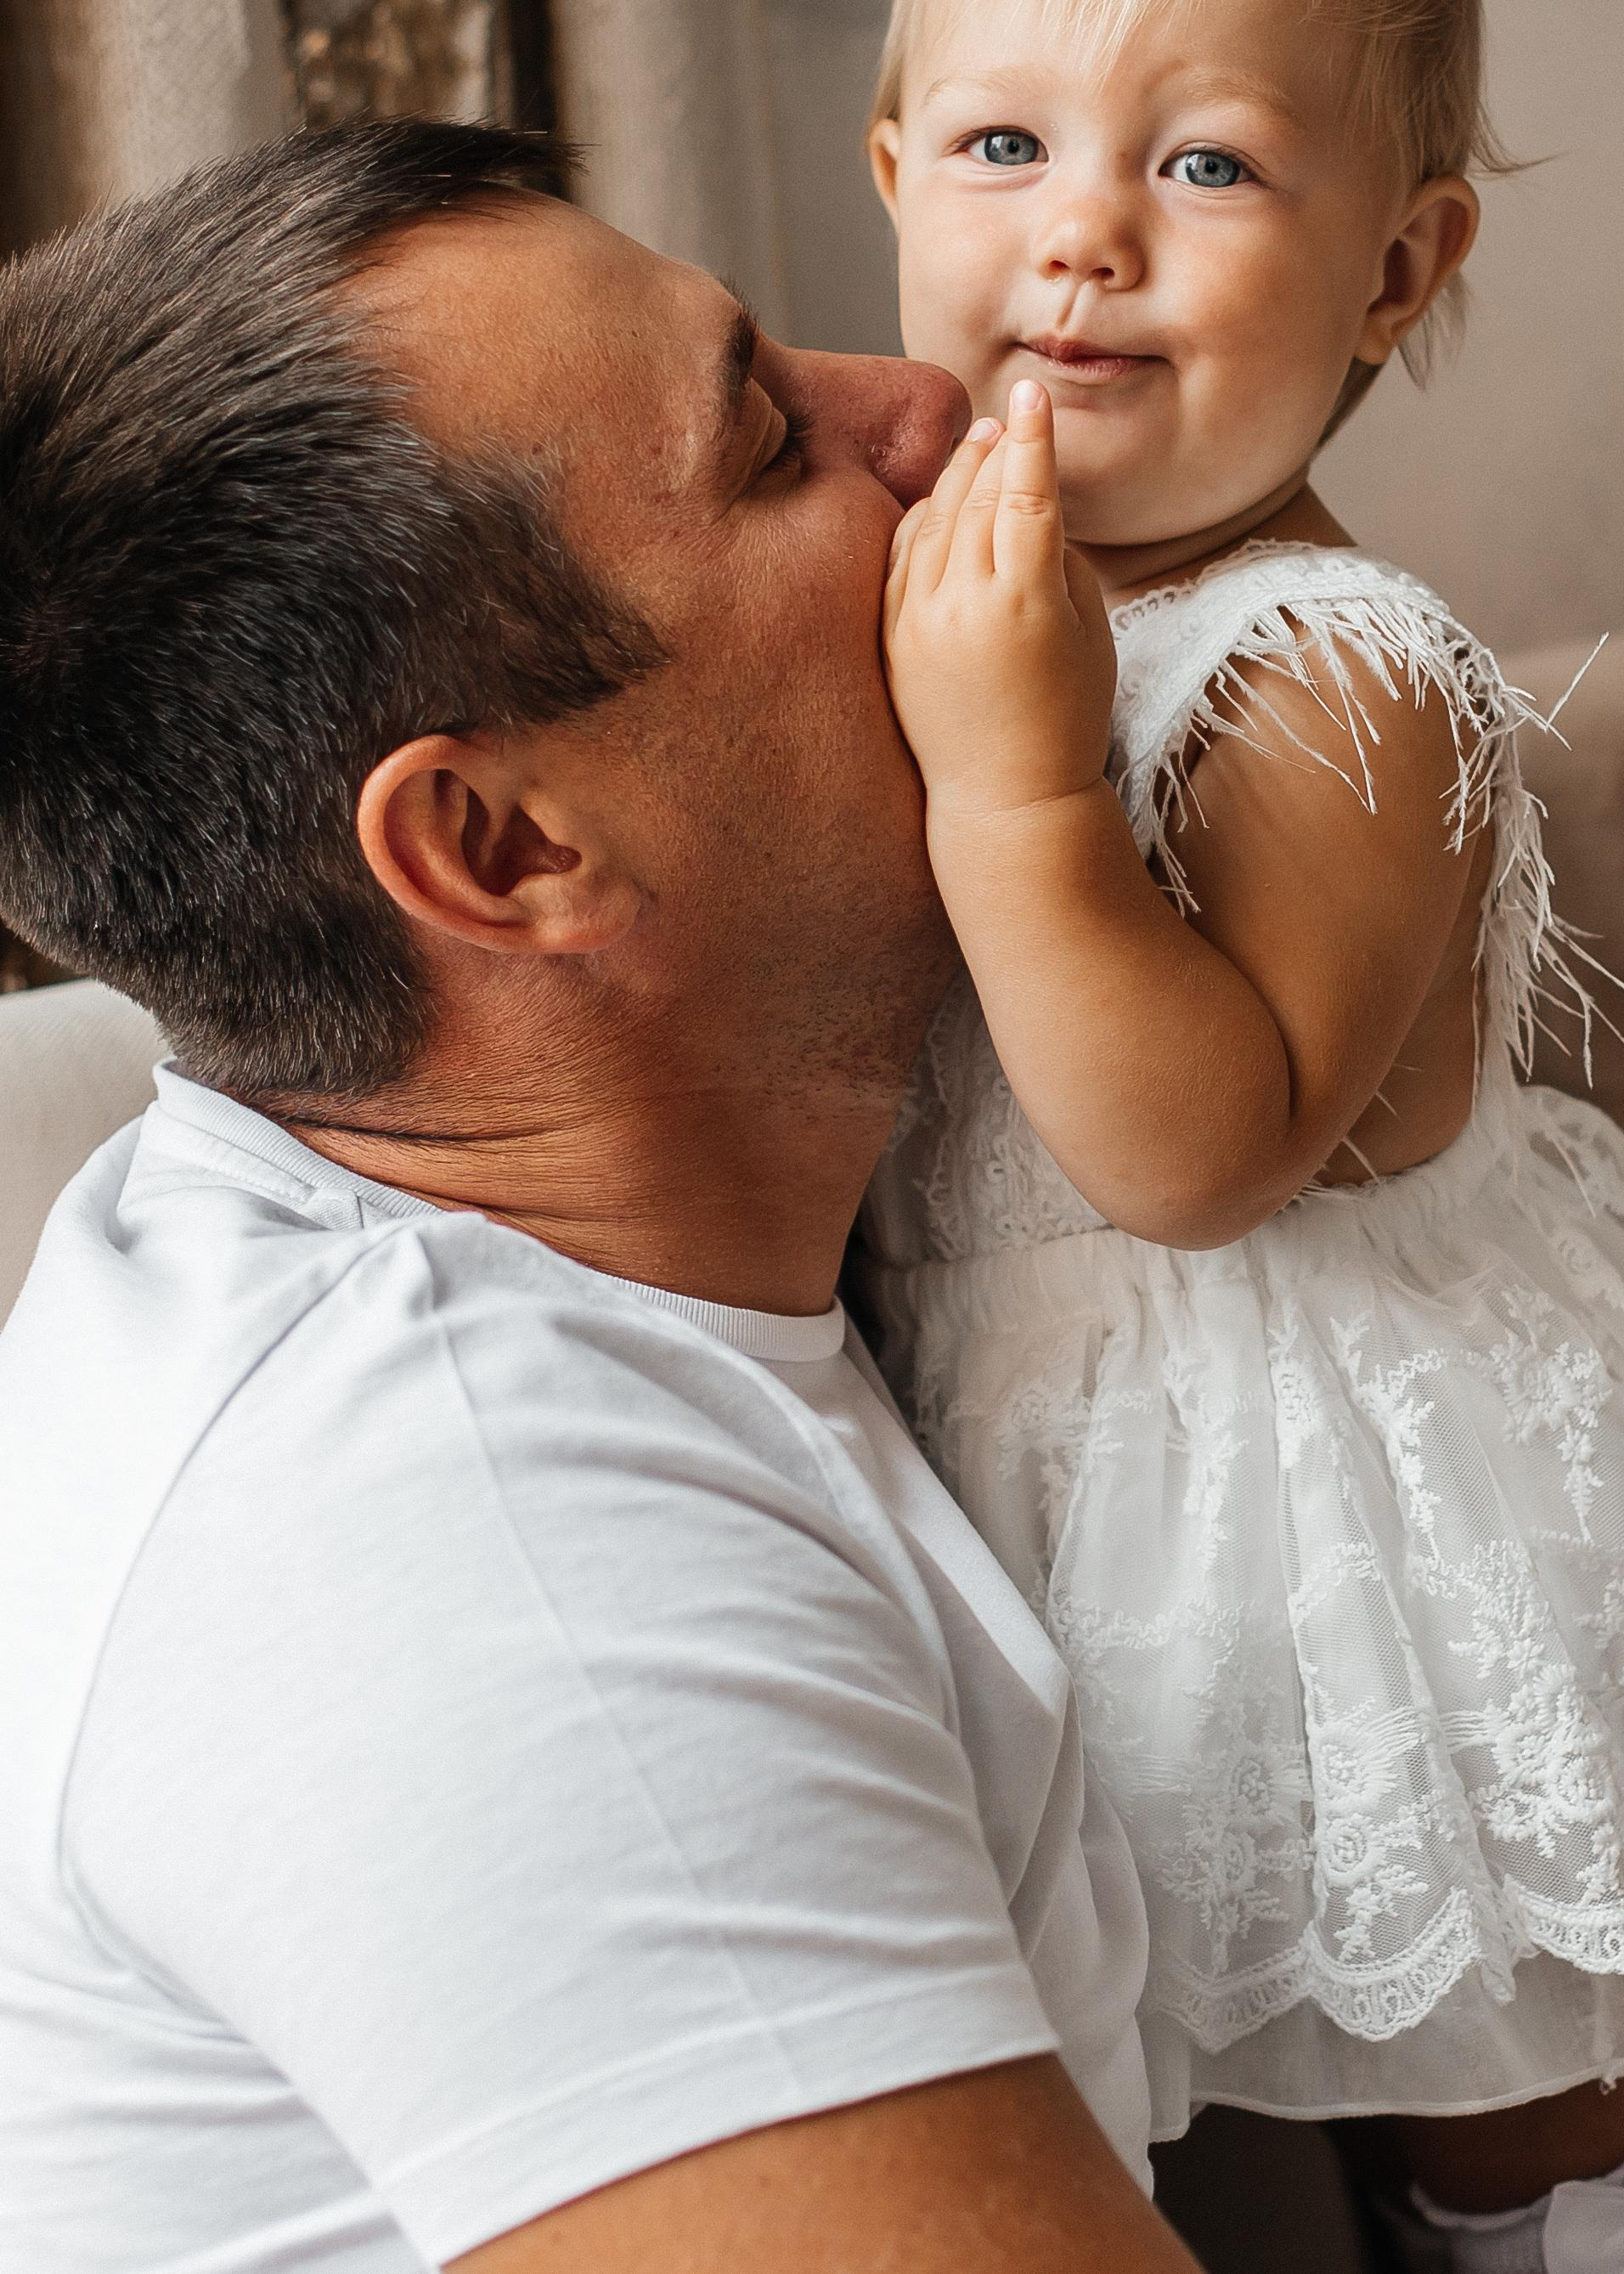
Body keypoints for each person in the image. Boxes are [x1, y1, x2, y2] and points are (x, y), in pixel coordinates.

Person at [858, 0, 1624, 2274]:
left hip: (1382, 1573)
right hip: (1076, 1551)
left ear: (1397, 270)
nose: (1080, 233)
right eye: (1002, 148)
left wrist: (1008, 796)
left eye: (1201, 165)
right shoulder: (957, 580)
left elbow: (1190, 1149)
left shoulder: (1335, 669)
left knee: (1550, 2188)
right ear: (889, 176)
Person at [0, 121, 1202, 2273]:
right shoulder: (465, 1560)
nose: (922, 404)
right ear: (507, 847)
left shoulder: (698, 1210)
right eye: (766, 441)